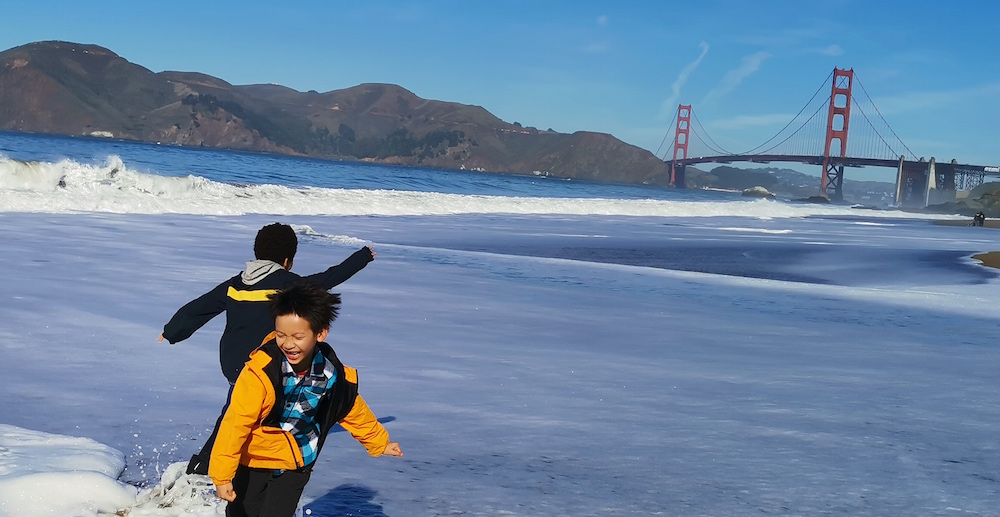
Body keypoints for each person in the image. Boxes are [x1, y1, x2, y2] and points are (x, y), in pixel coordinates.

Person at [158, 222, 375, 475]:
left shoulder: (235, 285)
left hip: (233, 364)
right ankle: (210, 467)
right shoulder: (286, 284)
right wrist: (362, 257)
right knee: (241, 419)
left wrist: (172, 331)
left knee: (237, 412)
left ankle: (211, 466)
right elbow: (327, 279)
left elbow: (199, 308)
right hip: (264, 368)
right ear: (287, 260)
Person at [209, 281, 402, 517]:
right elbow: (235, 423)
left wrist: (379, 442)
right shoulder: (260, 373)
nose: (288, 344)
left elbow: (350, 407)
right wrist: (222, 475)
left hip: (298, 459)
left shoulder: (331, 374)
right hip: (255, 458)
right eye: (281, 335)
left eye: (298, 336)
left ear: (320, 333)